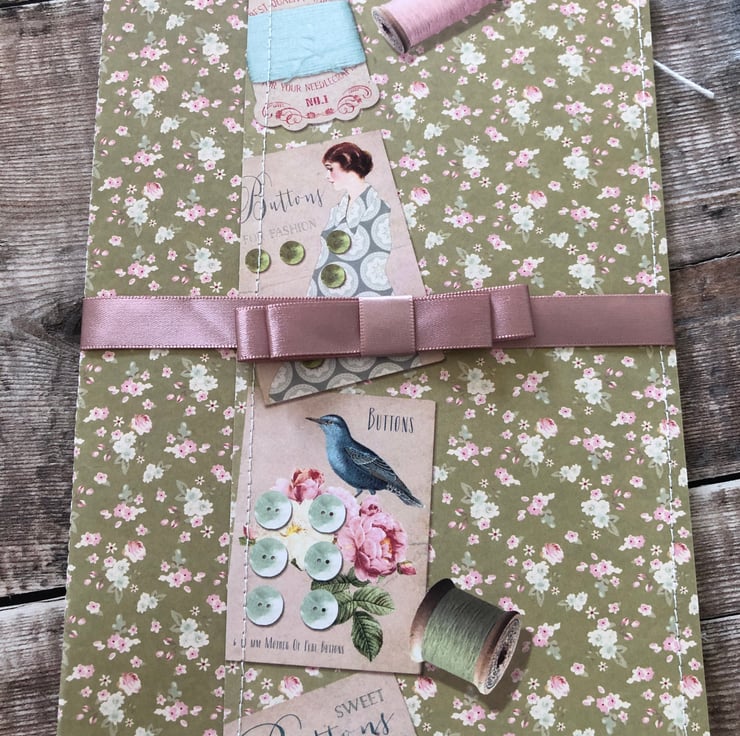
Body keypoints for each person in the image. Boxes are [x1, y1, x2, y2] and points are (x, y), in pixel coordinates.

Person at [308, 141, 394, 297]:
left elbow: (377, 254)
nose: (327, 176)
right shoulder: (337, 209)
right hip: (327, 290)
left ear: (347, 163)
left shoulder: (378, 207)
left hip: (363, 291)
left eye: (330, 169)